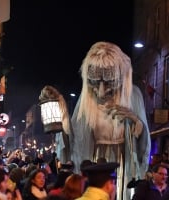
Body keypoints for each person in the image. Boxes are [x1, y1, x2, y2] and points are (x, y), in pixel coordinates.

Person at [70, 41, 151, 200]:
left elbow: (144, 140)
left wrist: (135, 121)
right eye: (95, 82)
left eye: (108, 82)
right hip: (95, 159)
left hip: (124, 158)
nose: (100, 92)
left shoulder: (133, 95)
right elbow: (77, 140)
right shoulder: (86, 100)